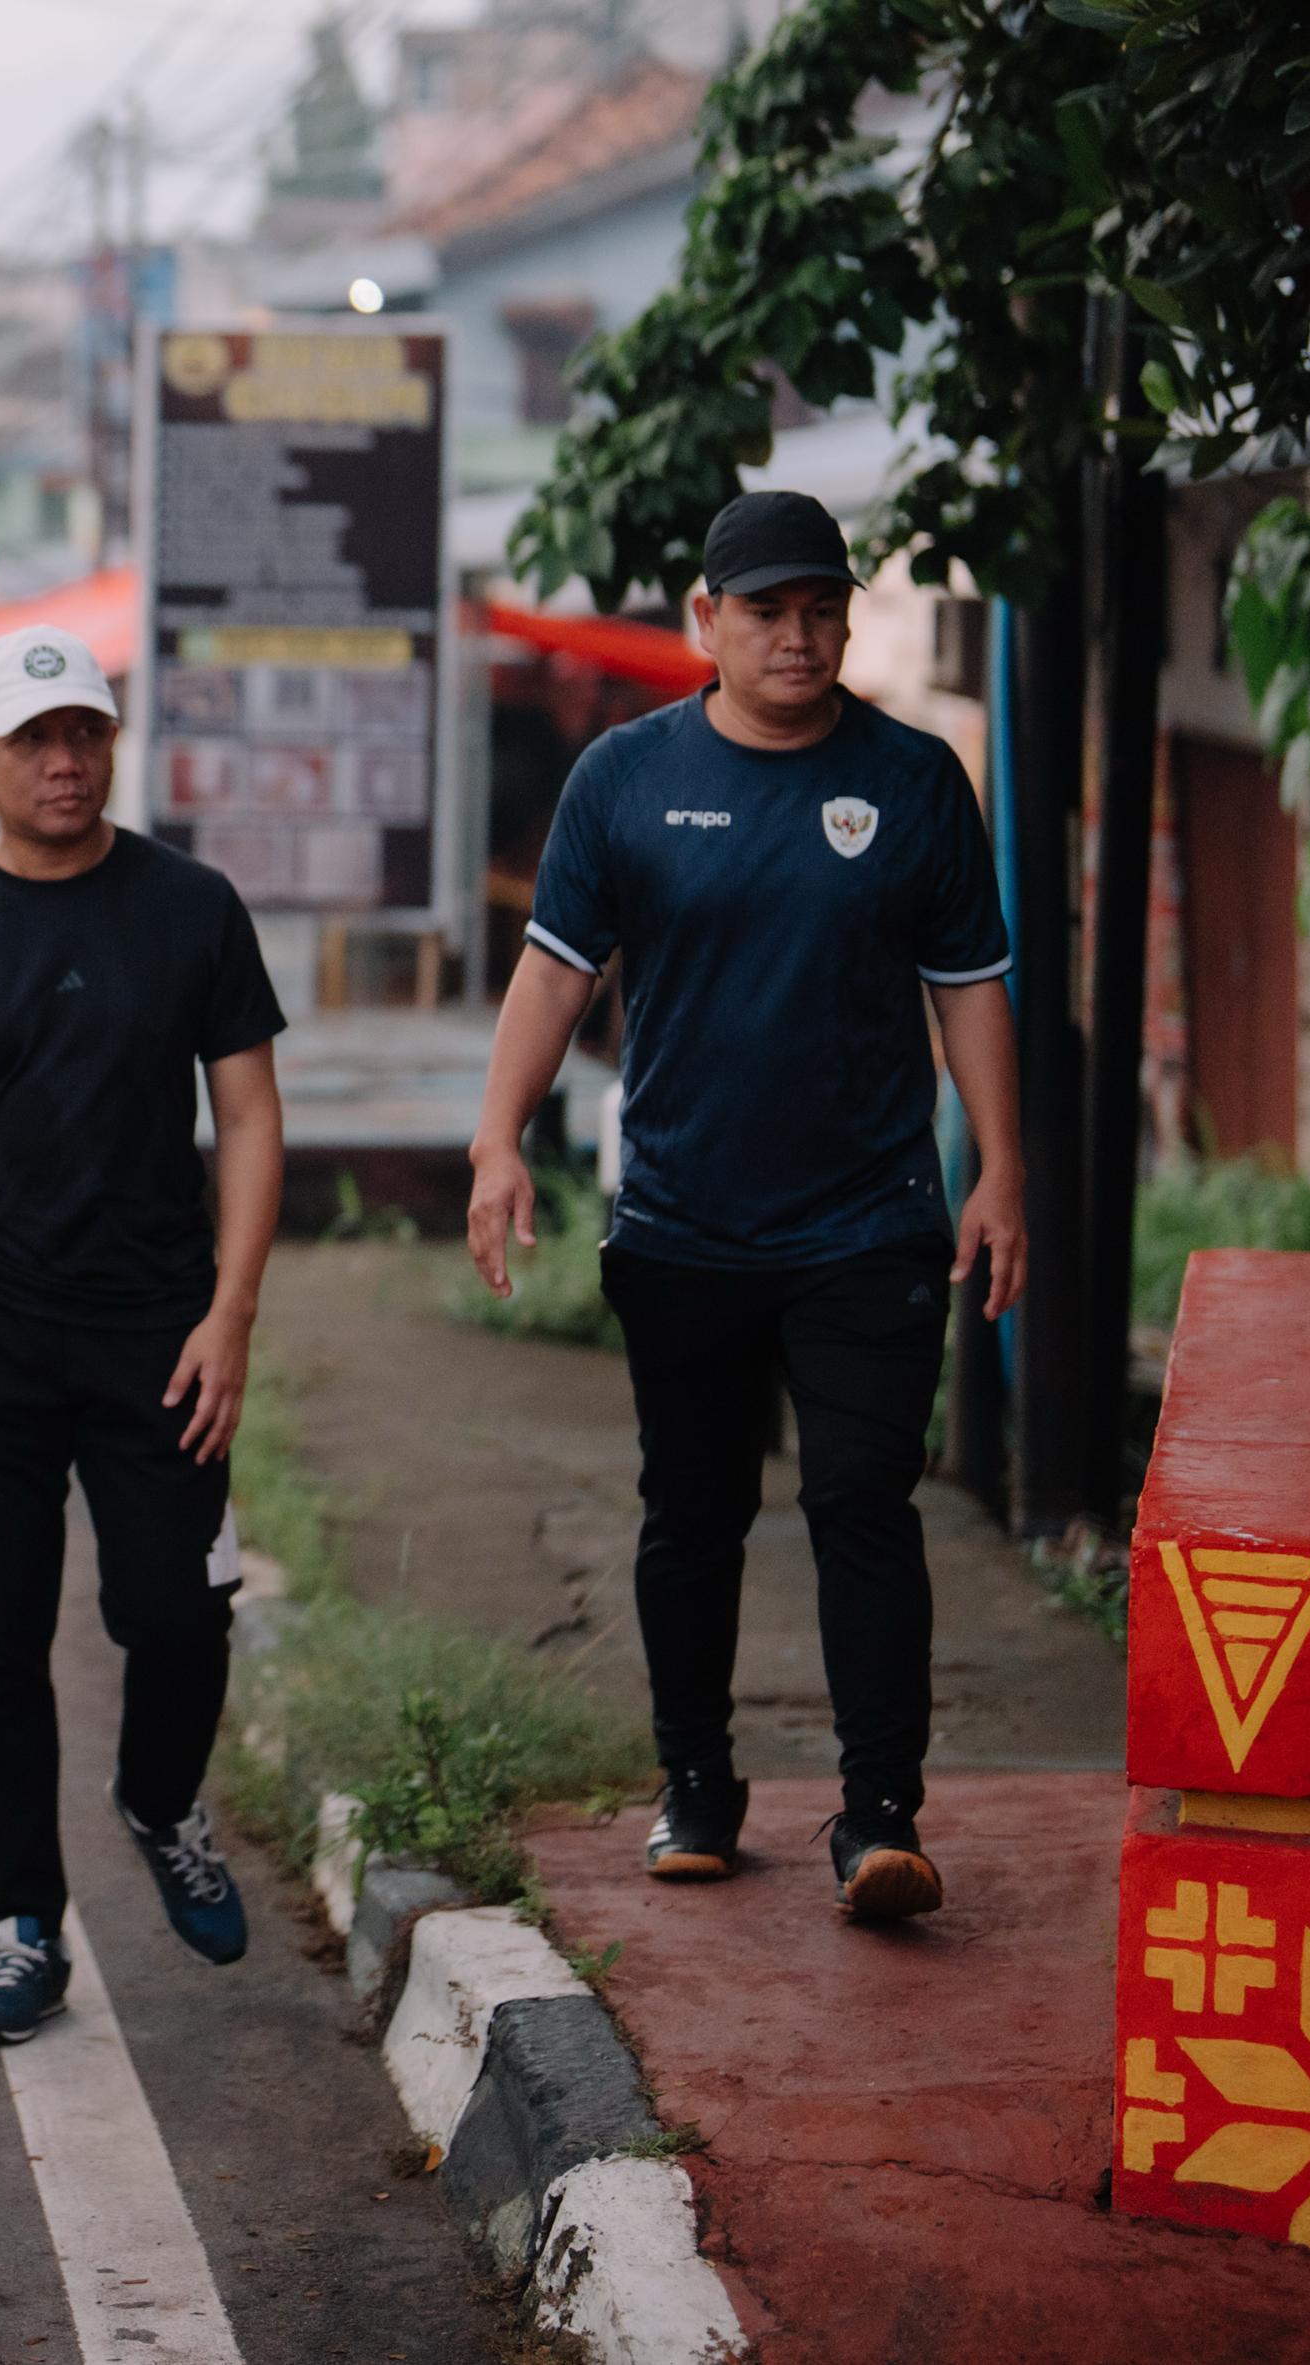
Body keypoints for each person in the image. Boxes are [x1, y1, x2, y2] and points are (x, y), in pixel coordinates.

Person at [465, 489, 1024, 1924]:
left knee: (861, 1501)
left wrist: (1001, 1169)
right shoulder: (624, 778)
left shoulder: (912, 781)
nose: (799, 634)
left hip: (870, 1222)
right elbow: (555, 969)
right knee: (693, 1511)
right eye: (767, 610)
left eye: (821, 607)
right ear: (704, 622)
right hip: (685, 1223)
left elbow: (969, 985)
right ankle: (697, 1784)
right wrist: (497, 1141)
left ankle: (880, 1814)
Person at [0, 623, 290, 2046]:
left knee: (179, 1611)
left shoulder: (191, 907)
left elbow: (246, 1116)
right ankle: (24, 1920)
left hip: (160, 1331)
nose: (65, 760)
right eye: (33, 738)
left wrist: (231, 1315)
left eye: (86, 733)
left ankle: (162, 1800)